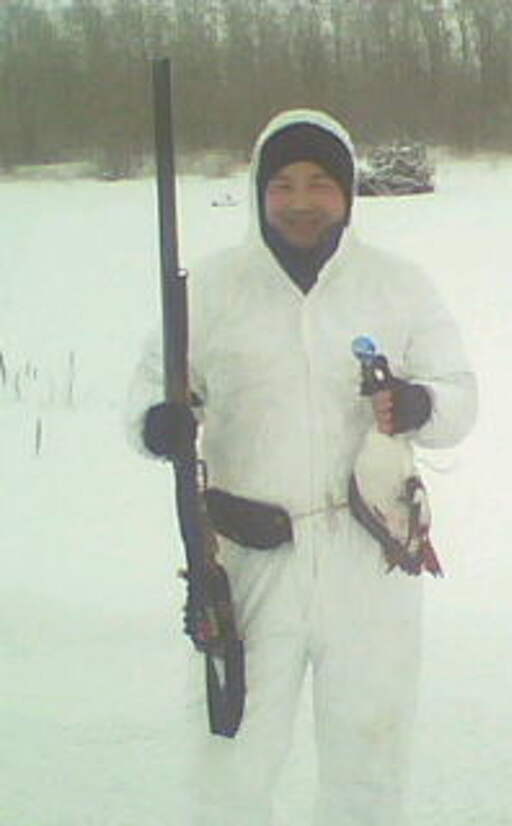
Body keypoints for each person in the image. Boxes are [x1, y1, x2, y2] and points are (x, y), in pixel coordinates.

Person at [128, 109, 477, 826]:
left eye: (320, 182)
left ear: (347, 192)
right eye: (283, 184)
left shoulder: (397, 285)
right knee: (231, 765)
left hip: (370, 561)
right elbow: (149, 392)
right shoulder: (212, 289)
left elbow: (460, 400)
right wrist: (159, 424)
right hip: (248, 561)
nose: (301, 201)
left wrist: (419, 403)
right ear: (260, 192)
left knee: (368, 762)